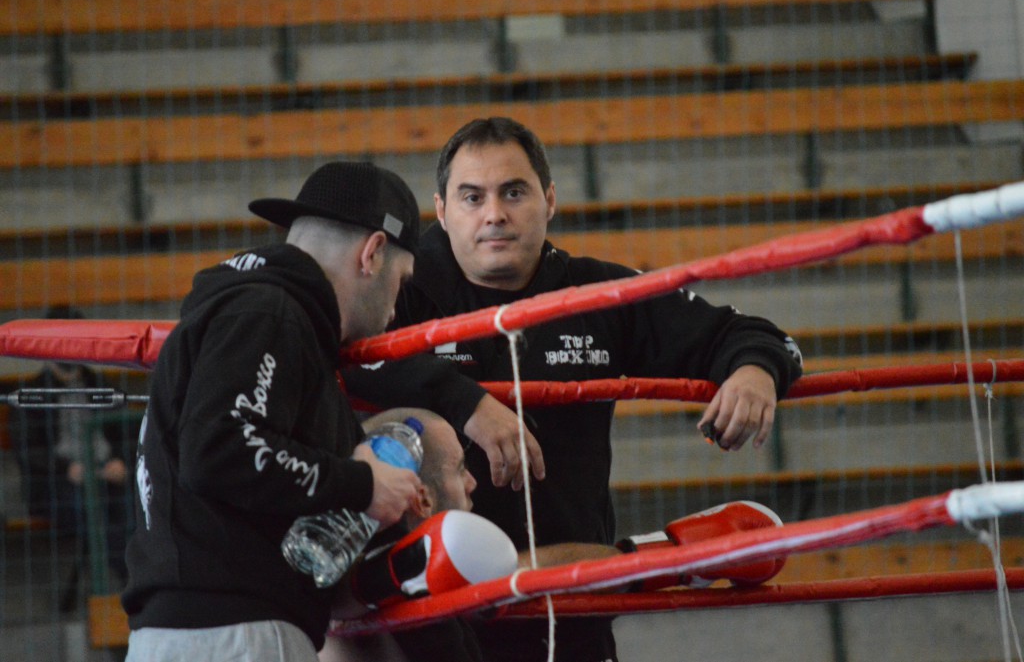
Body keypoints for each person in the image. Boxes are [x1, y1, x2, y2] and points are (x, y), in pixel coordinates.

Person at [343, 117, 804, 661]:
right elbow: (344, 356)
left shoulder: (591, 292)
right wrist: (467, 402)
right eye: (472, 197)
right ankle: (664, 558)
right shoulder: (402, 286)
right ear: (442, 211)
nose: (494, 214)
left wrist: (755, 370)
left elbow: (754, 334)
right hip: (425, 623)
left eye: (514, 192)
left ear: (550, 200)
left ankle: (656, 559)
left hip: (573, 616)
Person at [122, 161, 425, 662]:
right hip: (233, 634)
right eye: (403, 280)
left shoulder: (267, 316)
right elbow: (222, 447)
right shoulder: (269, 312)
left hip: (204, 628)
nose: (397, 306)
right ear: (373, 253)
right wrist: (363, 484)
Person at [318, 407, 620, 662]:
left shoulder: (350, 570)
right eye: (459, 469)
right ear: (422, 500)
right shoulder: (409, 575)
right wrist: (640, 559)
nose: (472, 482)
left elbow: (517, 570)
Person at [9, 305, 135, 609]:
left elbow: (126, 433)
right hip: (60, 484)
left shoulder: (101, 385)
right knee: (92, 508)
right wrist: (67, 468)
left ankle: (128, 588)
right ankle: (131, 586)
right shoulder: (31, 392)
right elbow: (28, 449)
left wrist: (122, 461)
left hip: (108, 476)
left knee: (139, 502)